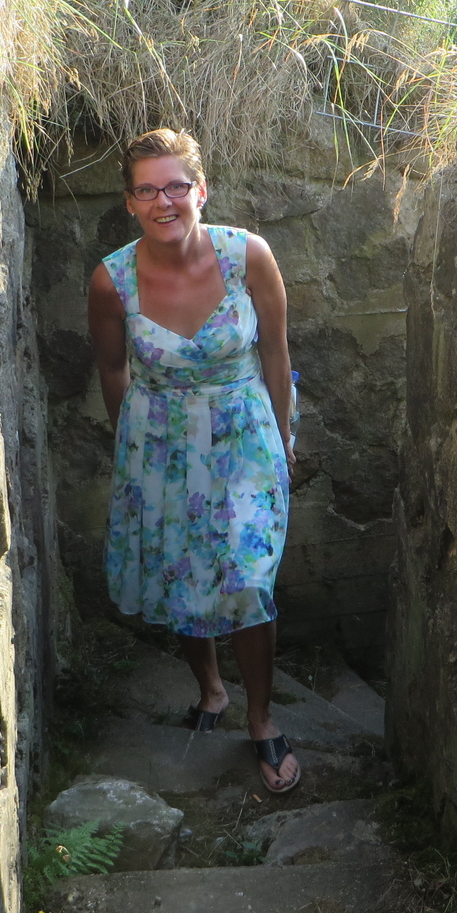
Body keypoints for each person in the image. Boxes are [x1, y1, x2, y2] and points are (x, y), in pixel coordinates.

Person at [87, 128, 300, 794]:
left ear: (200, 190)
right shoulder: (111, 281)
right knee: (182, 571)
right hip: (161, 442)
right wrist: (136, 455)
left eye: (176, 186)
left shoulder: (248, 257)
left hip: (244, 436)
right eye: (147, 190)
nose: (164, 202)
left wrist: (284, 441)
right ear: (130, 202)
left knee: (246, 576)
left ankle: (261, 719)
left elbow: (276, 354)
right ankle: (211, 689)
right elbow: (113, 371)